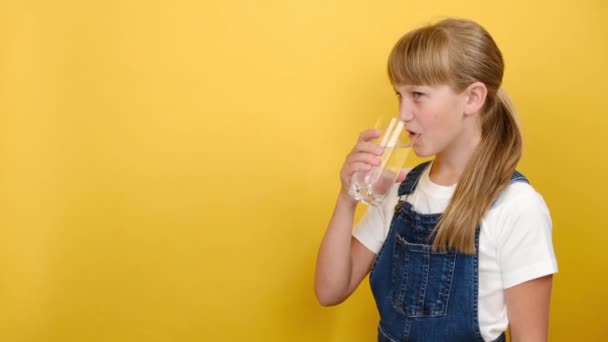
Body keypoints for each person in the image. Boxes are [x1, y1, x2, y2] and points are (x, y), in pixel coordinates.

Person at [314, 18, 557, 342]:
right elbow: (330, 290)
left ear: (472, 98)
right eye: (398, 94)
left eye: (417, 94)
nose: (402, 113)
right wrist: (347, 198)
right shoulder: (402, 192)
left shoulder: (516, 207)